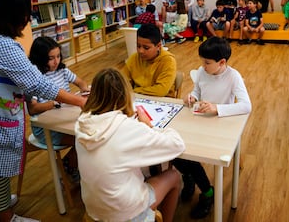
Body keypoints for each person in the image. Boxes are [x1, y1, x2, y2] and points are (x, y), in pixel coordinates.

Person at [0, 0, 86, 222]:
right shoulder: (3, 45)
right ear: (12, 14)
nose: (29, 18)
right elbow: (38, 84)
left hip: (2, 114)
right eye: (26, 12)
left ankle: (0, 202)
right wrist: (80, 102)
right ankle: (6, 216)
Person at [75, 68, 185, 222]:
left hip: (93, 210)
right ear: (125, 95)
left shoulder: (82, 123)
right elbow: (177, 144)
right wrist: (149, 126)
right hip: (125, 213)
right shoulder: (127, 127)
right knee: (173, 176)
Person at [175, 37, 252, 219]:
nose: (202, 66)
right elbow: (197, 91)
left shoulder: (233, 76)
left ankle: (205, 192)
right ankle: (189, 176)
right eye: (202, 61)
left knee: (189, 154)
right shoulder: (203, 71)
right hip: (199, 119)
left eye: (207, 62)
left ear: (222, 62)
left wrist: (218, 108)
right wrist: (192, 97)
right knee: (177, 148)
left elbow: (246, 106)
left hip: (219, 125)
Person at [26, 36, 89, 179]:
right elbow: (33, 109)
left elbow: (81, 82)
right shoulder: (35, 77)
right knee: (83, 141)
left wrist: (85, 90)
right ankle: (68, 168)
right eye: (51, 58)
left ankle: (68, 165)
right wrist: (52, 104)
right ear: (40, 58)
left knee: (88, 137)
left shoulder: (62, 70)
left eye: (58, 56)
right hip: (45, 128)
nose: (56, 61)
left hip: (63, 119)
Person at [122, 24, 177, 97]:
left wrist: (134, 91)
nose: (140, 51)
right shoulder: (134, 58)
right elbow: (122, 81)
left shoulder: (168, 61)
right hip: (138, 99)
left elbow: (161, 91)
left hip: (163, 101)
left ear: (158, 46)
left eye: (146, 48)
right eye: (138, 46)